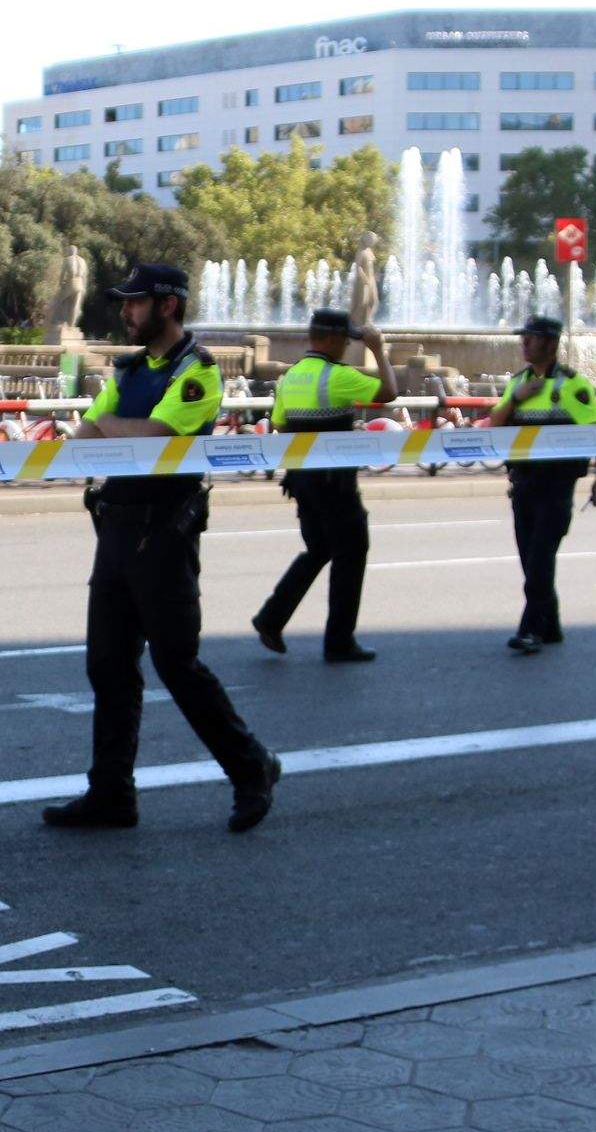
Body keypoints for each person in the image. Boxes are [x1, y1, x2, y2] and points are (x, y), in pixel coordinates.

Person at [43, 263, 280, 834]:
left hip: (165, 534)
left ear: (168, 306)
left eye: (135, 302)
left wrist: (112, 424)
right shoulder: (129, 370)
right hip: (117, 529)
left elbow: (155, 440)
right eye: (124, 302)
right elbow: (84, 439)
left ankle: (252, 768)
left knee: (177, 664)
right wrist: (117, 425)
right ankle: (111, 795)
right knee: (108, 666)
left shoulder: (197, 372)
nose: (126, 311)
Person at [252, 307, 395, 663]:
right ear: (331, 339)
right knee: (351, 551)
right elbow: (389, 392)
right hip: (335, 484)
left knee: (318, 549)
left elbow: (280, 426)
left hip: (301, 481)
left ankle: (271, 618)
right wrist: (377, 349)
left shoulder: (290, 377)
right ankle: (339, 641)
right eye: (346, 341)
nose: (347, 347)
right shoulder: (337, 376)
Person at [488, 314, 596, 655]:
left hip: (556, 487)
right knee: (531, 560)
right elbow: (495, 423)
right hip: (523, 484)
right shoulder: (518, 383)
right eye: (523, 337)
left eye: (532, 337)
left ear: (552, 343)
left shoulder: (573, 385)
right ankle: (551, 625)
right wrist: (517, 398)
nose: (525, 343)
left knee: (540, 560)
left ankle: (530, 630)